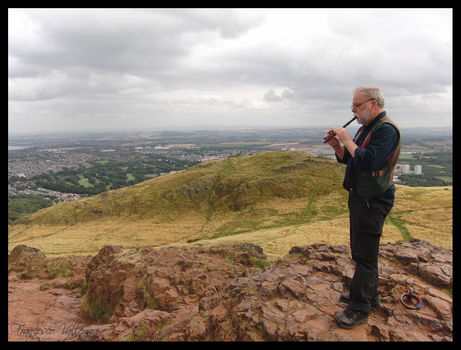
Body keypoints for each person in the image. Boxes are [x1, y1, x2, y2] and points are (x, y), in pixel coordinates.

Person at [324, 86, 401, 329]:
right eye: (353, 106)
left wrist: (347, 139)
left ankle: (360, 308)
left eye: (357, 105)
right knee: (362, 249)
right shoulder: (366, 128)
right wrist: (338, 146)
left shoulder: (386, 130)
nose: (353, 110)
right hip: (361, 197)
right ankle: (370, 295)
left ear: (374, 104)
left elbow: (369, 161)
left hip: (373, 199)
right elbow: (351, 158)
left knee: (364, 255)